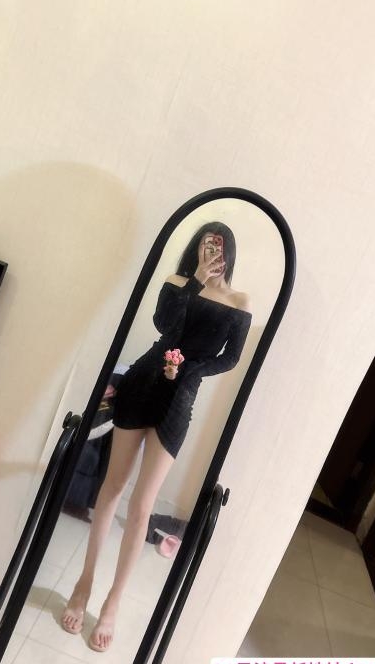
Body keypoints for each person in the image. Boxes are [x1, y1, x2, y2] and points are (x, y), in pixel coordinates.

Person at [61, 222, 252, 652]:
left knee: (142, 505)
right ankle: (84, 583)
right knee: (112, 487)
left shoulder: (240, 302)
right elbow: (164, 324)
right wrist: (196, 280)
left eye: (219, 246)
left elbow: (230, 359)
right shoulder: (177, 282)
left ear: (230, 252)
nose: (213, 251)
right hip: (143, 382)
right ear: (196, 248)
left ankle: (112, 603)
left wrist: (186, 371)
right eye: (206, 244)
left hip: (178, 400)